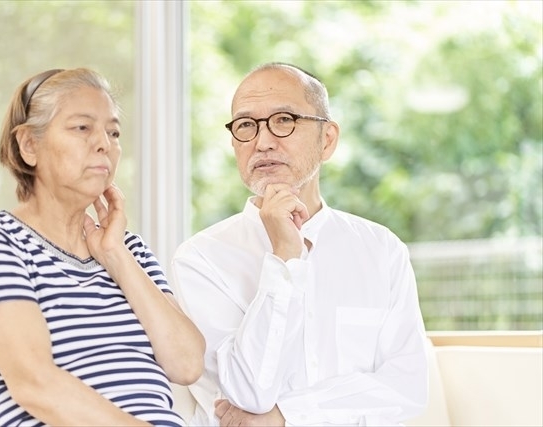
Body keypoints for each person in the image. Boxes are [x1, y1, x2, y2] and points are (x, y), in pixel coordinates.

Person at [171, 62, 428, 426]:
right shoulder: (200, 259)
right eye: (246, 125)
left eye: (284, 120)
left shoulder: (382, 250)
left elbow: (407, 388)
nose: (262, 142)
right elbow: (246, 395)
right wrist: (285, 259)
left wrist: (286, 416)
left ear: (327, 139)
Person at [0, 68, 205, 427]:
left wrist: (116, 255)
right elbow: (37, 385)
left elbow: (187, 365)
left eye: (113, 132)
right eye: (82, 128)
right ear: (29, 145)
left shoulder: (128, 249)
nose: (104, 144)